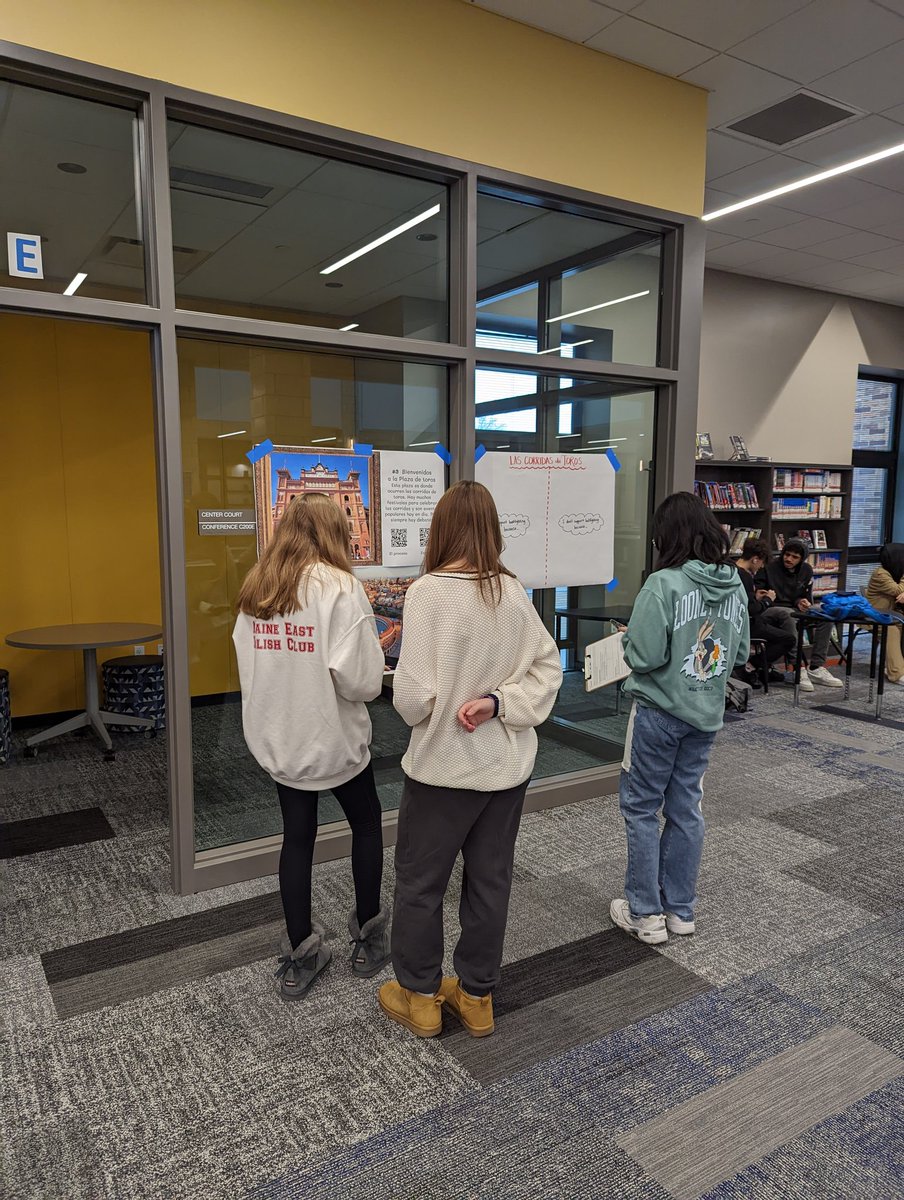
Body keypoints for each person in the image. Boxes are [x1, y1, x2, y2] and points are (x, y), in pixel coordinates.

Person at [378, 480, 562, 1039]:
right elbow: (548, 670)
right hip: (505, 770)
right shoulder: (513, 591)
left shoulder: (428, 592)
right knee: (490, 882)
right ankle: (477, 995)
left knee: (420, 883)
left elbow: (413, 698)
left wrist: (430, 696)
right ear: (492, 529)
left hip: (443, 770)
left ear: (440, 528)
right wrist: (497, 702)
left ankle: (421, 996)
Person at [233, 493, 389, 1001]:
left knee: (296, 839)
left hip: (283, 739)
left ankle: (301, 954)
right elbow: (362, 682)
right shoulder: (341, 587)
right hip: (334, 738)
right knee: (366, 824)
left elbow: (249, 664)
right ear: (334, 532)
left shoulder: (259, 586)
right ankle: (370, 936)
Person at [610, 491, 749, 945]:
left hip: (658, 713)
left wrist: (628, 639)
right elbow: (740, 654)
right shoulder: (735, 584)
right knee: (686, 808)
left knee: (641, 808)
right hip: (705, 714)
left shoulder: (663, 583)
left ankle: (645, 914)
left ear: (667, 536)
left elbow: (645, 657)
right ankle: (680, 910)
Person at [754, 538, 843, 691]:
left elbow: (802, 595)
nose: (789, 559)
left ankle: (816, 667)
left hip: (794, 608)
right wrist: (767, 597)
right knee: (788, 615)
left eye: (794, 557)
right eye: (787, 554)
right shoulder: (768, 567)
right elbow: (758, 595)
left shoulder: (806, 570)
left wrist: (801, 601)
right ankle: (797, 667)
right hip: (770, 609)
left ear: (801, 559)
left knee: (825, 614)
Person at [735, 537, 797, 681]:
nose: (761, 567)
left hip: (738, 621)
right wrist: (768, 600)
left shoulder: (732, 570)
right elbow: (752, 610)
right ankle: (752, 665)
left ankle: (763, 668)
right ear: (755, 559)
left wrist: (755, 597)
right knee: (788, 639)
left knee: (776, 625)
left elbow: (743, 600)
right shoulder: (745, 576)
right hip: (748, 623)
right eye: (761, 562)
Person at [866, 543, 904, 684]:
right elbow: (897, 591)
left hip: (892, 615)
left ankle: (897, 665)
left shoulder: (895, 572)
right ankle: (896, 673)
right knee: (891, 630)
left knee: (898, 626)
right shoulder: (880, 573)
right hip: (874, 616)